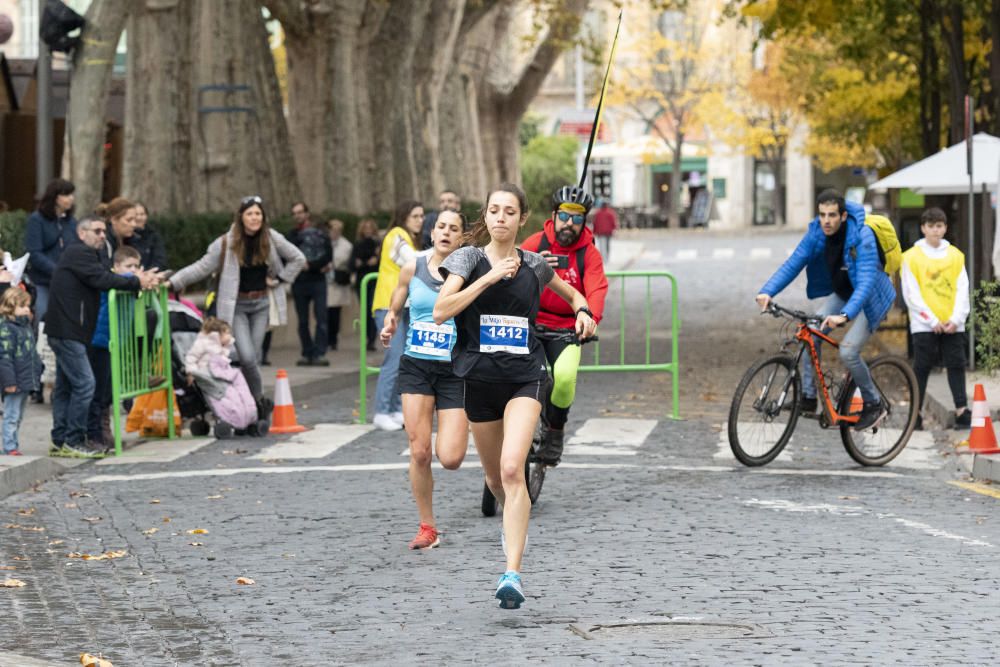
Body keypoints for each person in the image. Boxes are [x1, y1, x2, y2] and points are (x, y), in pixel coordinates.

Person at [434, 183, 596, 609]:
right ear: (485, 217)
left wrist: (583, 311)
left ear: (522, 218)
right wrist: (486, 278)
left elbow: (574, 294)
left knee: (511, 470)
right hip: (479, 382)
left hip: (525, 378)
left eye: (509, 211)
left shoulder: (535, 265)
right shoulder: (467, 259)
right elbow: (441, 310)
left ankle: (513, 573)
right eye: (493, 210)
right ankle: (513, 517)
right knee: (495, 479)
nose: (501, 217)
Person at [756, 189, 896, 430]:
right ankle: (809, 398)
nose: (826, 221)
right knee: (811, 332)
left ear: (842, 216)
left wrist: (843, 316)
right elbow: (794, 263)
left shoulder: (862, 236)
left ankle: (874, 403)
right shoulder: (816, 233)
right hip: (844, 294)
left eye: (832, 215)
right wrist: (768, 291)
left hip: (872, 299)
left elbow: (864, 284)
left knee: (849, 352)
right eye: (822, 215)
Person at [168, 196, 305, 416]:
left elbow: (298, 258)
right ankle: (257, 401)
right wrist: (173, 282)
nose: (254, 218)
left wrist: (280, 278)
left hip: (260, 304)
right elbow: (201, 267)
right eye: (249, 213)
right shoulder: (226, 242)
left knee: (254, 358)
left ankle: (249, 403)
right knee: (247, 356)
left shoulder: (270, 238)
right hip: (237, 307)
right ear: (241, 217)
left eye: (258, 213)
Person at [380, 210, 468, 550]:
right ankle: (427, 526)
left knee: (451, 458)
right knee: (419, 452)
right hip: (416, 366)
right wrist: (390, 322)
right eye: (441, 227)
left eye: (454, 229)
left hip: (453, 369)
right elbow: (397, 304)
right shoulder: (412, 267)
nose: (446, 232)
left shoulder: (469, 271)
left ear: (461, 238)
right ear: (432, 233)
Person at [45, 215, 161, 458]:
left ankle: (60, 439)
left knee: (67, 386)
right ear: (81, 233)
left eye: (102, 231)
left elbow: (102, 277)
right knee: (86, 384)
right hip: (68, 329)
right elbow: (103, 279)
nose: (101, 235)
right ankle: (74, 440)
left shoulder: (87, 255)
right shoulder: (79, 252)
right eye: (96, 231)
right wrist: (137, 282)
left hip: (68, 329)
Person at [520, 185, 608, 465]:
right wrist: (529, 270)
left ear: (585, 222)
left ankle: (555, 431)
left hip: (567, 328)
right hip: (530, 323)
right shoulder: (535, 244)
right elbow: (507, 275)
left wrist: (590, 318)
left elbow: (596, 289)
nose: (570, 223)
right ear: (554, 216)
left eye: (578, 218)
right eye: (565, 216)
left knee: (565, 377)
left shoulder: (589, 254)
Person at [901, 207, 971, 430]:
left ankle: (962, 411)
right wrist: (932, 321)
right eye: (930, 226)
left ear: (945, 228)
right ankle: (916, 414)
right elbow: (911, 294)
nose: (935, 231)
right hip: (923, 323)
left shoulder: (955, 256)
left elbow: (963, 289)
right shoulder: (910, 257)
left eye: (939, 226)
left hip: (952, 323)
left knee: (956, 364)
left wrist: (956, 319)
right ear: (923, 228)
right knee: (922, 366)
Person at [371, 200, 423, 431]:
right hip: (387, 305)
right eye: (415, 216)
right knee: (394, 358)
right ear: (404, 216)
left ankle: (393, 409)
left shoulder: (405, 236)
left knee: (401, 358)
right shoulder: (397, 235)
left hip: (399, 305)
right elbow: (413, 260)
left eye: (422, 216)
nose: (420, 220)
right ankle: (382, 411)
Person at [25, 178, 78, 403]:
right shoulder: (37, 221)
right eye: (66, 194)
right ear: (55, 197)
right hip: (43, 282)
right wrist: (57, 270)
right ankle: (35, 381)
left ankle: (60, 379)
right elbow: (34, 252)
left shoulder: (71, 222)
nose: (71, 199)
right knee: (42, 321)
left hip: (66, 284)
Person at [87, 246, 142, 449]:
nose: (133, 271)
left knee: (109, 389)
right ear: (116, 266)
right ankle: (98, 433)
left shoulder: (129, 284)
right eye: (128, 266)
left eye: (136, 266)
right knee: (100, 389)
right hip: (102, 341)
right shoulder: (111, 283)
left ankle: (103, 429)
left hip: (116, 341)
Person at [185, 317, 260, 437]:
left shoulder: (222, 346)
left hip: (221, 377)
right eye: (227, 333)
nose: (230, 336)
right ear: (218, 333)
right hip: (207, 377)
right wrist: (192, 373)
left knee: (235, 395)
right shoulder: (203, 343)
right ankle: (230, 417)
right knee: (220, 398)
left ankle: (243, 416)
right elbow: (191, 358)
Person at [286, 205, 333, 367]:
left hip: (317, 280)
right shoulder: (293, 235)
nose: (297, 216)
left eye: (300, 212)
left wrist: (310, 266)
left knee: (321, 318)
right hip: (300, 282)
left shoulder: (320, 234)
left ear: (307, 213)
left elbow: (328, 256)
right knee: (303, 320)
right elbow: (287, 253)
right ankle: (307, 352)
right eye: (294, 213)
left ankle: (319, 353)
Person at [0, 288, 40, 456]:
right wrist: (9, 382)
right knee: (11, 415)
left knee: (18, 415)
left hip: (24, 379)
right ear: (10, 306)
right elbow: (4, 357)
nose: (26, 309)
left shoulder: (25, 327)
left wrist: (38, 369)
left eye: (28, 306)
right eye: (22, 306)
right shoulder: (7, 329)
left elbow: (31, 353)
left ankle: (13, 445)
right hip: (14, 381)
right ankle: (9, 447)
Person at [351, 218, 381, 351]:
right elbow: (353, 263)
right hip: (361, 280)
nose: (368, 230)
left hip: (374, 280)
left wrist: (370, 260)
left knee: (371, 308)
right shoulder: (358, 244)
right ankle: (367, 338)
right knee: (364, 310)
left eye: (370, 227)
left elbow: (378, 262)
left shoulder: (378, 244)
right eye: (365, 227)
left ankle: (371, 339)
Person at [325, 219, 354, 351]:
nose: (333, 232)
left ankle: (333, 339)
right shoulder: (324, 242)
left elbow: (347, 263)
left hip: (337, 282)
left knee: (334, 313)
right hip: (325, 281)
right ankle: (325, 339)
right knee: (323, 313)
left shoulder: (346, 245)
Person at [131, 202, 169, 271]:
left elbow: (160, 260)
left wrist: (149, 273)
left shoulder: (154, 236)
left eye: (142, 214)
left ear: (147, 216)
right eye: (136, 214)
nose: (139, 217)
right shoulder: (126, 236)